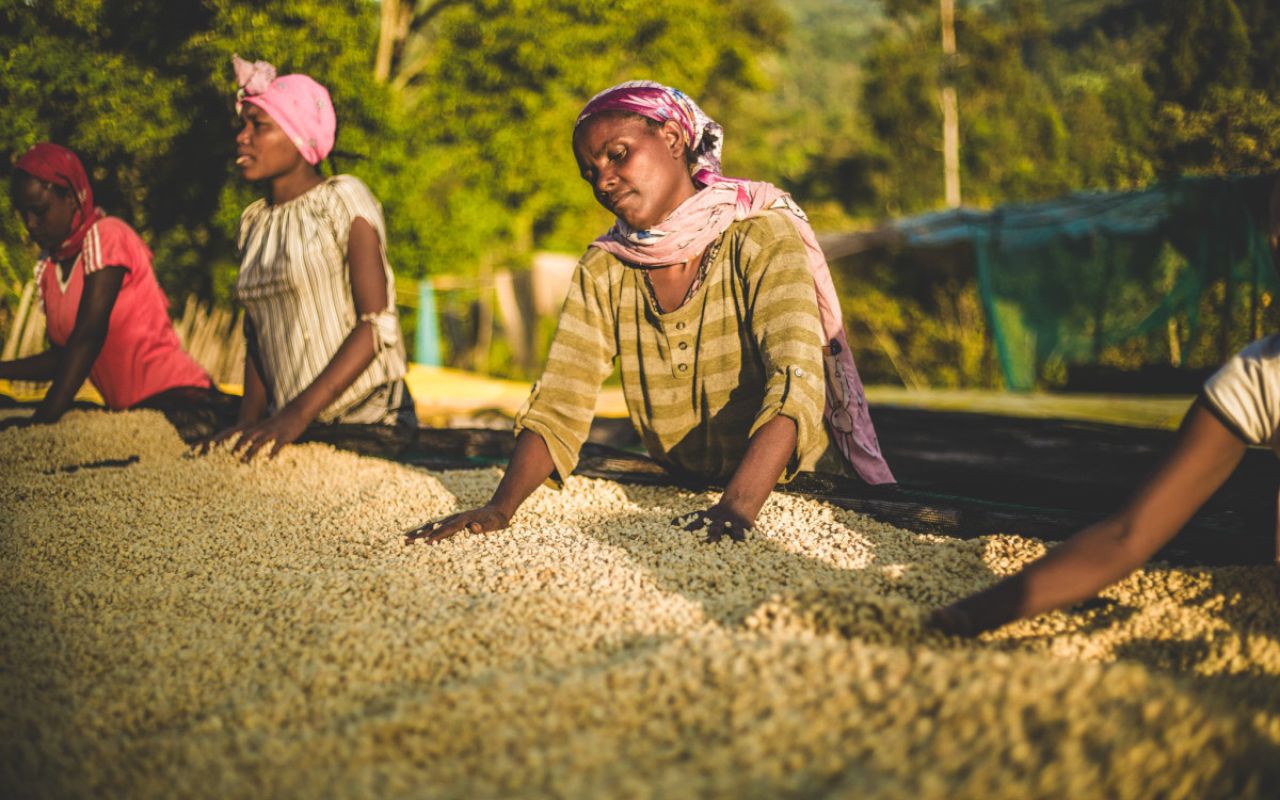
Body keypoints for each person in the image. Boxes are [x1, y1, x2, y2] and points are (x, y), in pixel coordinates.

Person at [406, 80, 893, 546]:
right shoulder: (606, 268)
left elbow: (796, 380)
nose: (604, 180)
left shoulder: (759, 238)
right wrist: (500, 508)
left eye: (617, 155)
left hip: (799, 491)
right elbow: (560, 401)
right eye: (590, 171)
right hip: (689, 486)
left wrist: (737, 509)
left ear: (674, 137)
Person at [930, 176, 1280, 637]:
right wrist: (964, 618)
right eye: (1273, 232)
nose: (1274, 243)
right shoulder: (1258, 379)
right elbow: (1126, 537)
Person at [211, 55, 416, 462]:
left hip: (368, 419)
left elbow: (376, 323)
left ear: (299, 138)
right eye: (243, 124)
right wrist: (247, 424)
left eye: (259, 126)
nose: (243, 137)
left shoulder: (341, 199)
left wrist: (295, 415)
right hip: (295, 424)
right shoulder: (253, 222)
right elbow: (259, 334)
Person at [2, 142, 216, 430]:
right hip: (131, 414)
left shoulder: (107, 236)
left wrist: (39, 423)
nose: (30, 223)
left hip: (180, 400)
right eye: (23, 213)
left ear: (72, 199)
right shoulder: (49, 269)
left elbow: (89, 336)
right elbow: (64, 359)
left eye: (39, 211)